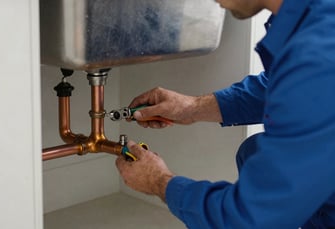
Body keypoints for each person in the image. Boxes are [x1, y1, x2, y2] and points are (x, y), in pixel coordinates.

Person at [115, 0, 335, 228]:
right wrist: (191, 107)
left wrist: (159, 182)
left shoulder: (319, 54)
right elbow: (288, 90)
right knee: (252, 151)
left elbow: (249, 218)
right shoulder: (315, 19)